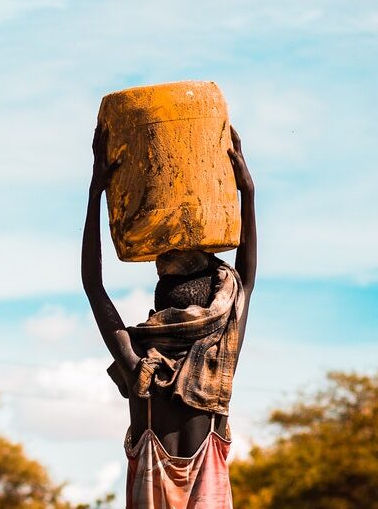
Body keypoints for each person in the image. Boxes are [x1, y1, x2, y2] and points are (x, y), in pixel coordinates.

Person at [81, 123, 256, 508]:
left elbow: (93, 286)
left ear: (157, 313)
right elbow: (245, 281)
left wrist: (96, 193)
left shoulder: (141, 371)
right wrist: (247, 192)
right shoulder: (217, 370)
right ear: (212, 317)